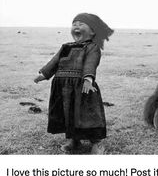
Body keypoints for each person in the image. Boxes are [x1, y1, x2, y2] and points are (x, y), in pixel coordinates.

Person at [34, 13, 113, 153]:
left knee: (87, 115)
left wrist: (88, 79)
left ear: (92, 31)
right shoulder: (65, 47)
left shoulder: (92, 47)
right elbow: (54, 62)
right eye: (74, 24)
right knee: (67, 114)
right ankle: (74, 140)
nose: (76, 26)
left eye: (81, 24)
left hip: (83, 87)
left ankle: (97, 142)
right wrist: (44, 74)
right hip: (62, 86)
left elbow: (91, 63)